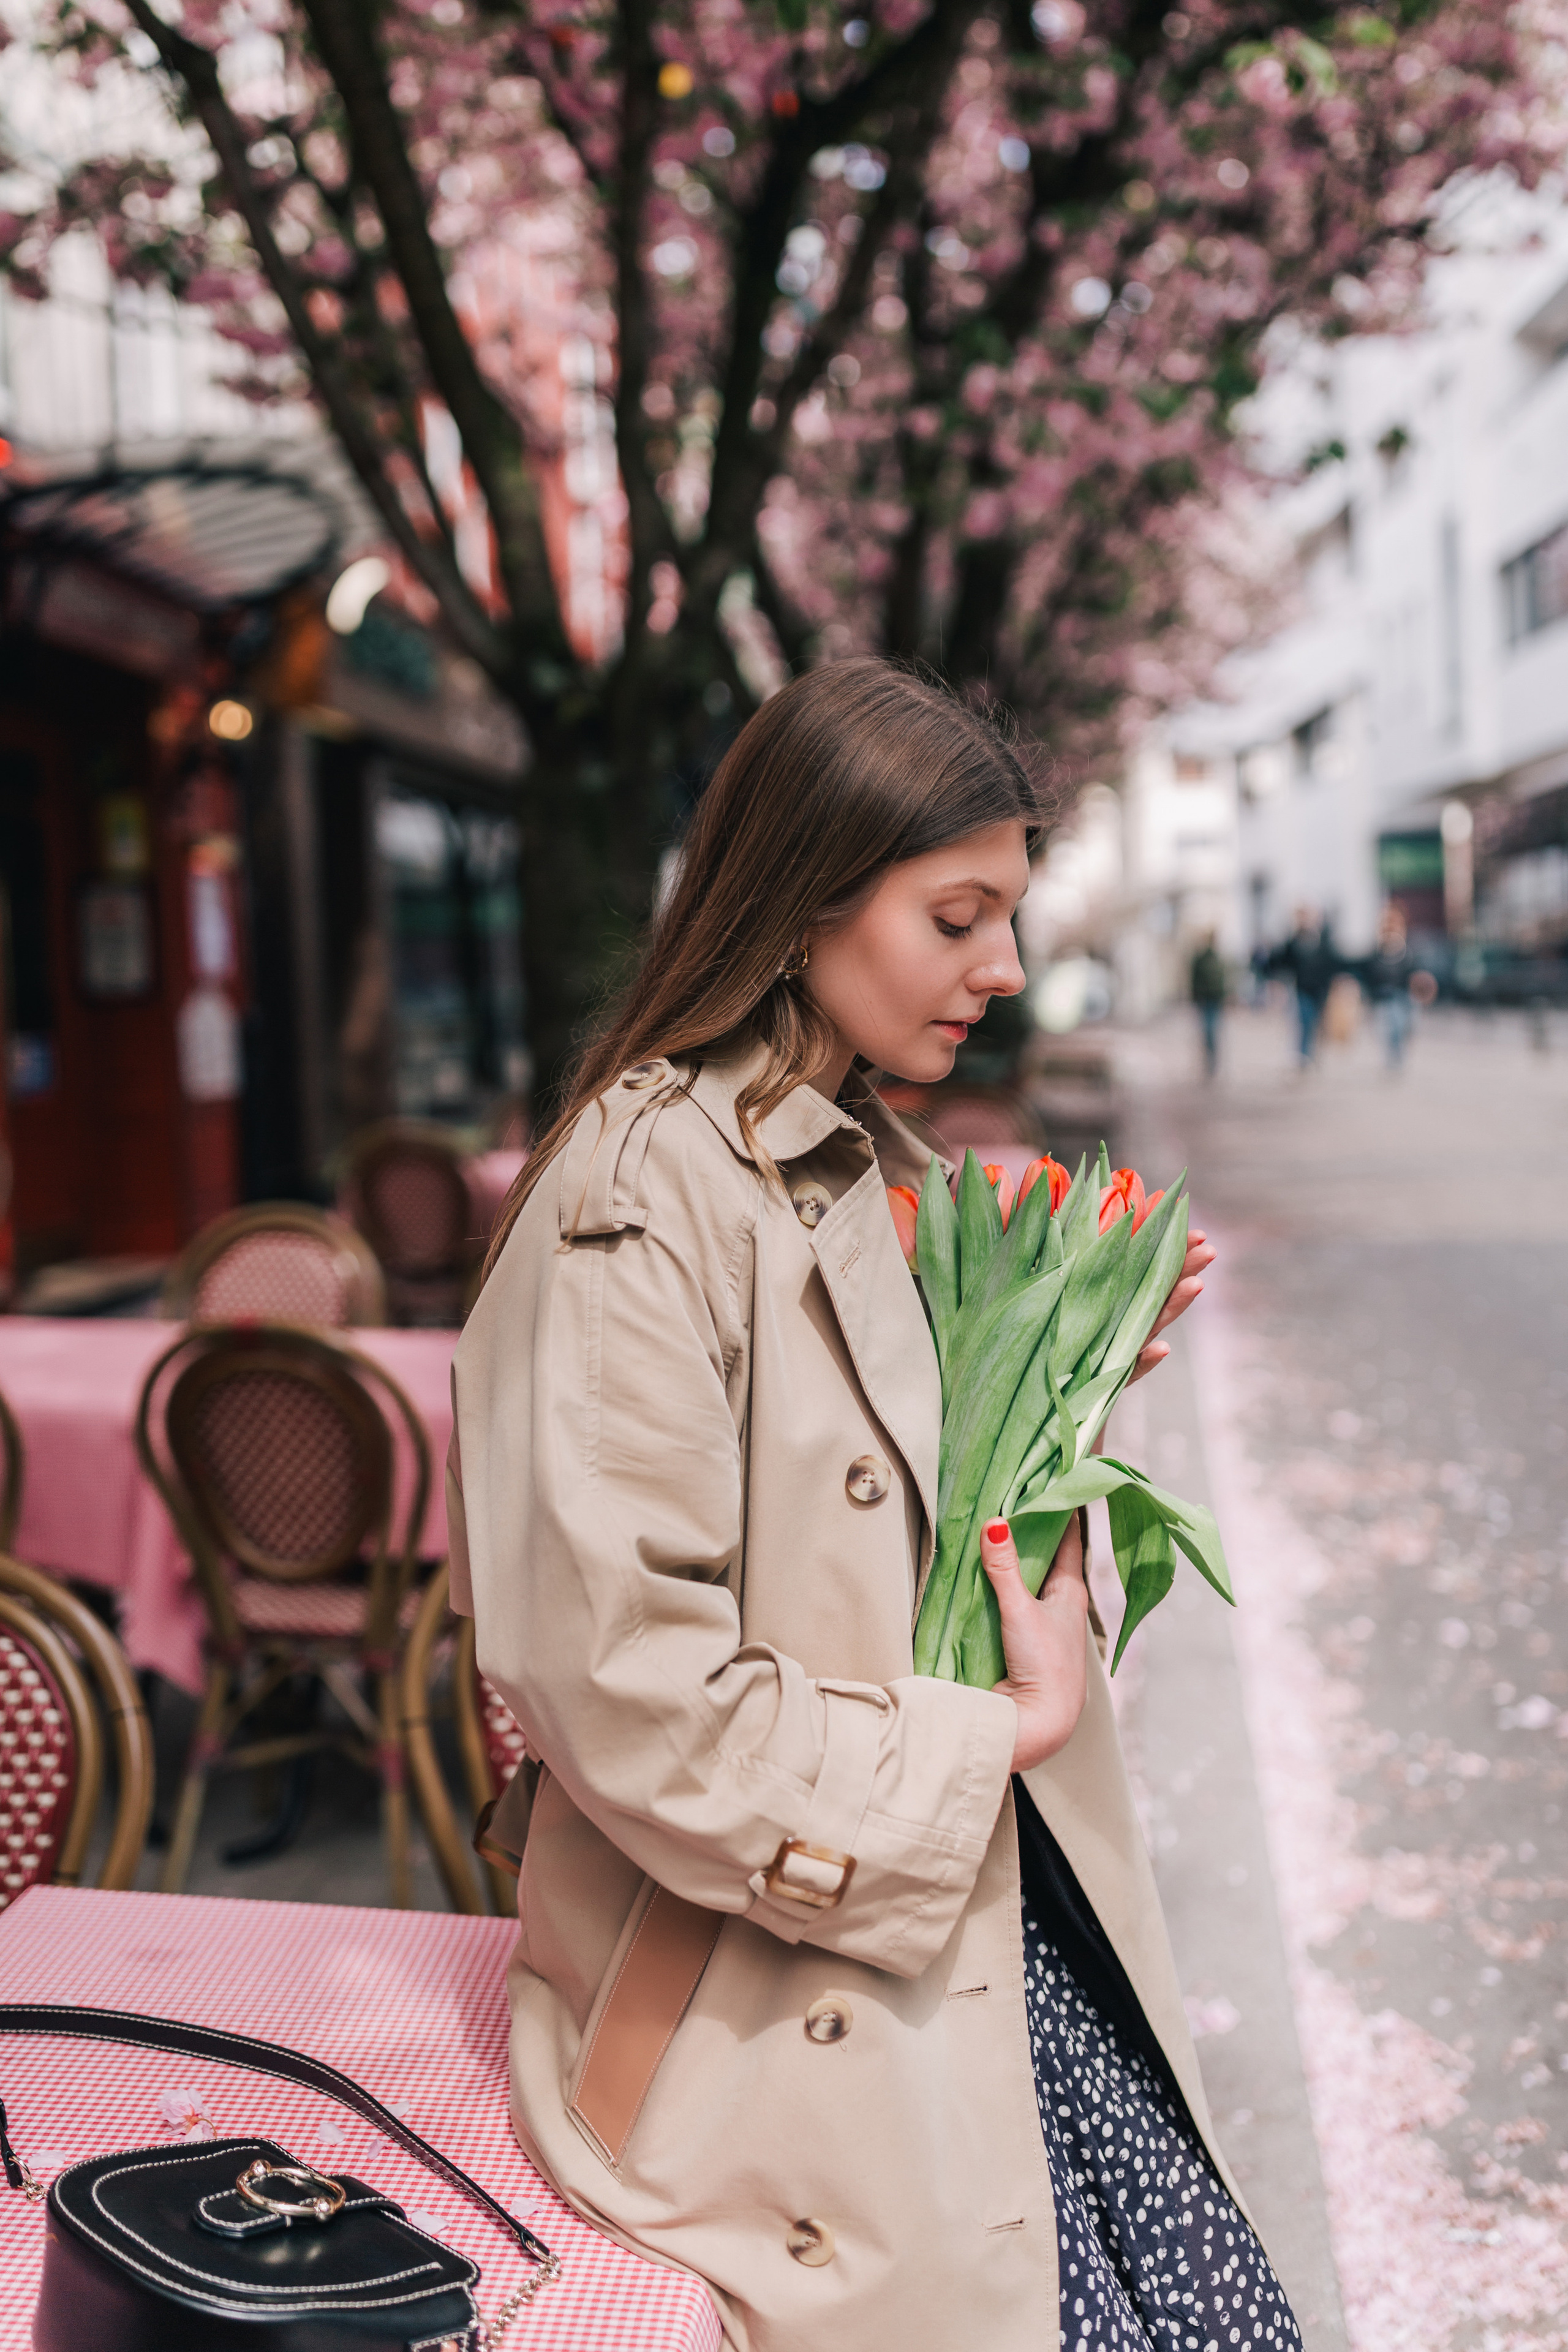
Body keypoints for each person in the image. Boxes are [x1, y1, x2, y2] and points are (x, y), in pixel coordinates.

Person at [452, 662, 1303, 2352]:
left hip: (921, 1915)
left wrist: (1063, 1370)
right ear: (802, 899)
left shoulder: (859, 1158)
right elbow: (628, 1694)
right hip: (768, 1983)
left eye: (1008, 918)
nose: (1002, 968)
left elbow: (912, 1539)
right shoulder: (640, 1200)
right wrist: (996, 1735)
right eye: (957, 916)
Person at [1272, 908, 1336, 1067]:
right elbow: (1283, 962)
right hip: (1303, 988)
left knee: (1317, 1023)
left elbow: (1331, 963)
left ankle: (1312, 1053)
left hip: (1320, 989)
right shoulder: (1294, 941)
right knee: (1305, 1021)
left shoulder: (1322, 940)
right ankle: (1303, 1055)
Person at [1362, 905, 1415, 1069]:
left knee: (1401, 1028)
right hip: (1384, 997)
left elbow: (1414, 973)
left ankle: (1397, 1054)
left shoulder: (1407, 952)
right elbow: (1369, 975)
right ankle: (1392, 1058)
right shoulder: (1377, 953)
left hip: (1403, 996)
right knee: (1389, 1029)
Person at [1189, 929, 1227, 1078]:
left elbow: (1223, 980)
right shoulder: (1201, 958)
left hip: (1215, 999)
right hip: (1205, 1000)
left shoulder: (1218, 958)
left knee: (1213, 1030)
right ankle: (1208, 1060)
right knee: (1208, 1031)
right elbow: (1195, 980)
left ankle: (1213, 1061)